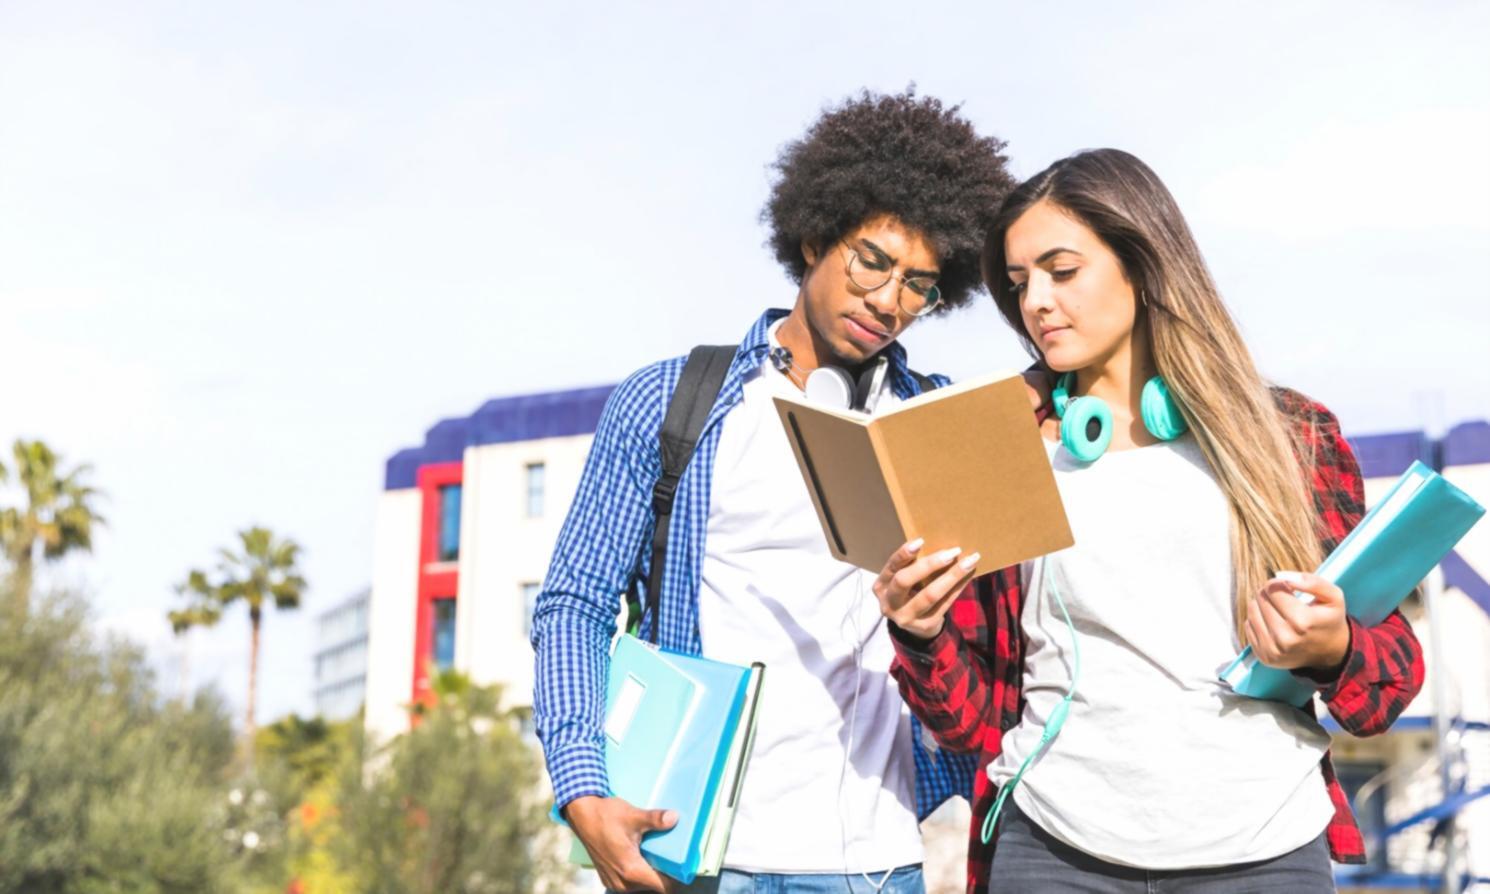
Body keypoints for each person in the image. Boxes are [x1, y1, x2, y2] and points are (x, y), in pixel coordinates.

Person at [875, 148, 1425, 893]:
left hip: (1264, 847)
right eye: (1018, 282)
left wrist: (1332, 648)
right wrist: (920, 632)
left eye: (1061, 272)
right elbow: (966, 727)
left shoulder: (1289, 434)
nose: (1035, 300)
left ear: (1141, 264)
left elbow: (1388, 682)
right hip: (1051, 849)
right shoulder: (994, 444)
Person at [531, 90, 1021, 893]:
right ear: (814, 235)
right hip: (701, 852)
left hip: (883, 857)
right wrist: (582, 786)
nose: (890, 300)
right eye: (873, 260)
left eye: (920, 285)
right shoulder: (672, 402)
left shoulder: (937, 423)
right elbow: (575, 603)